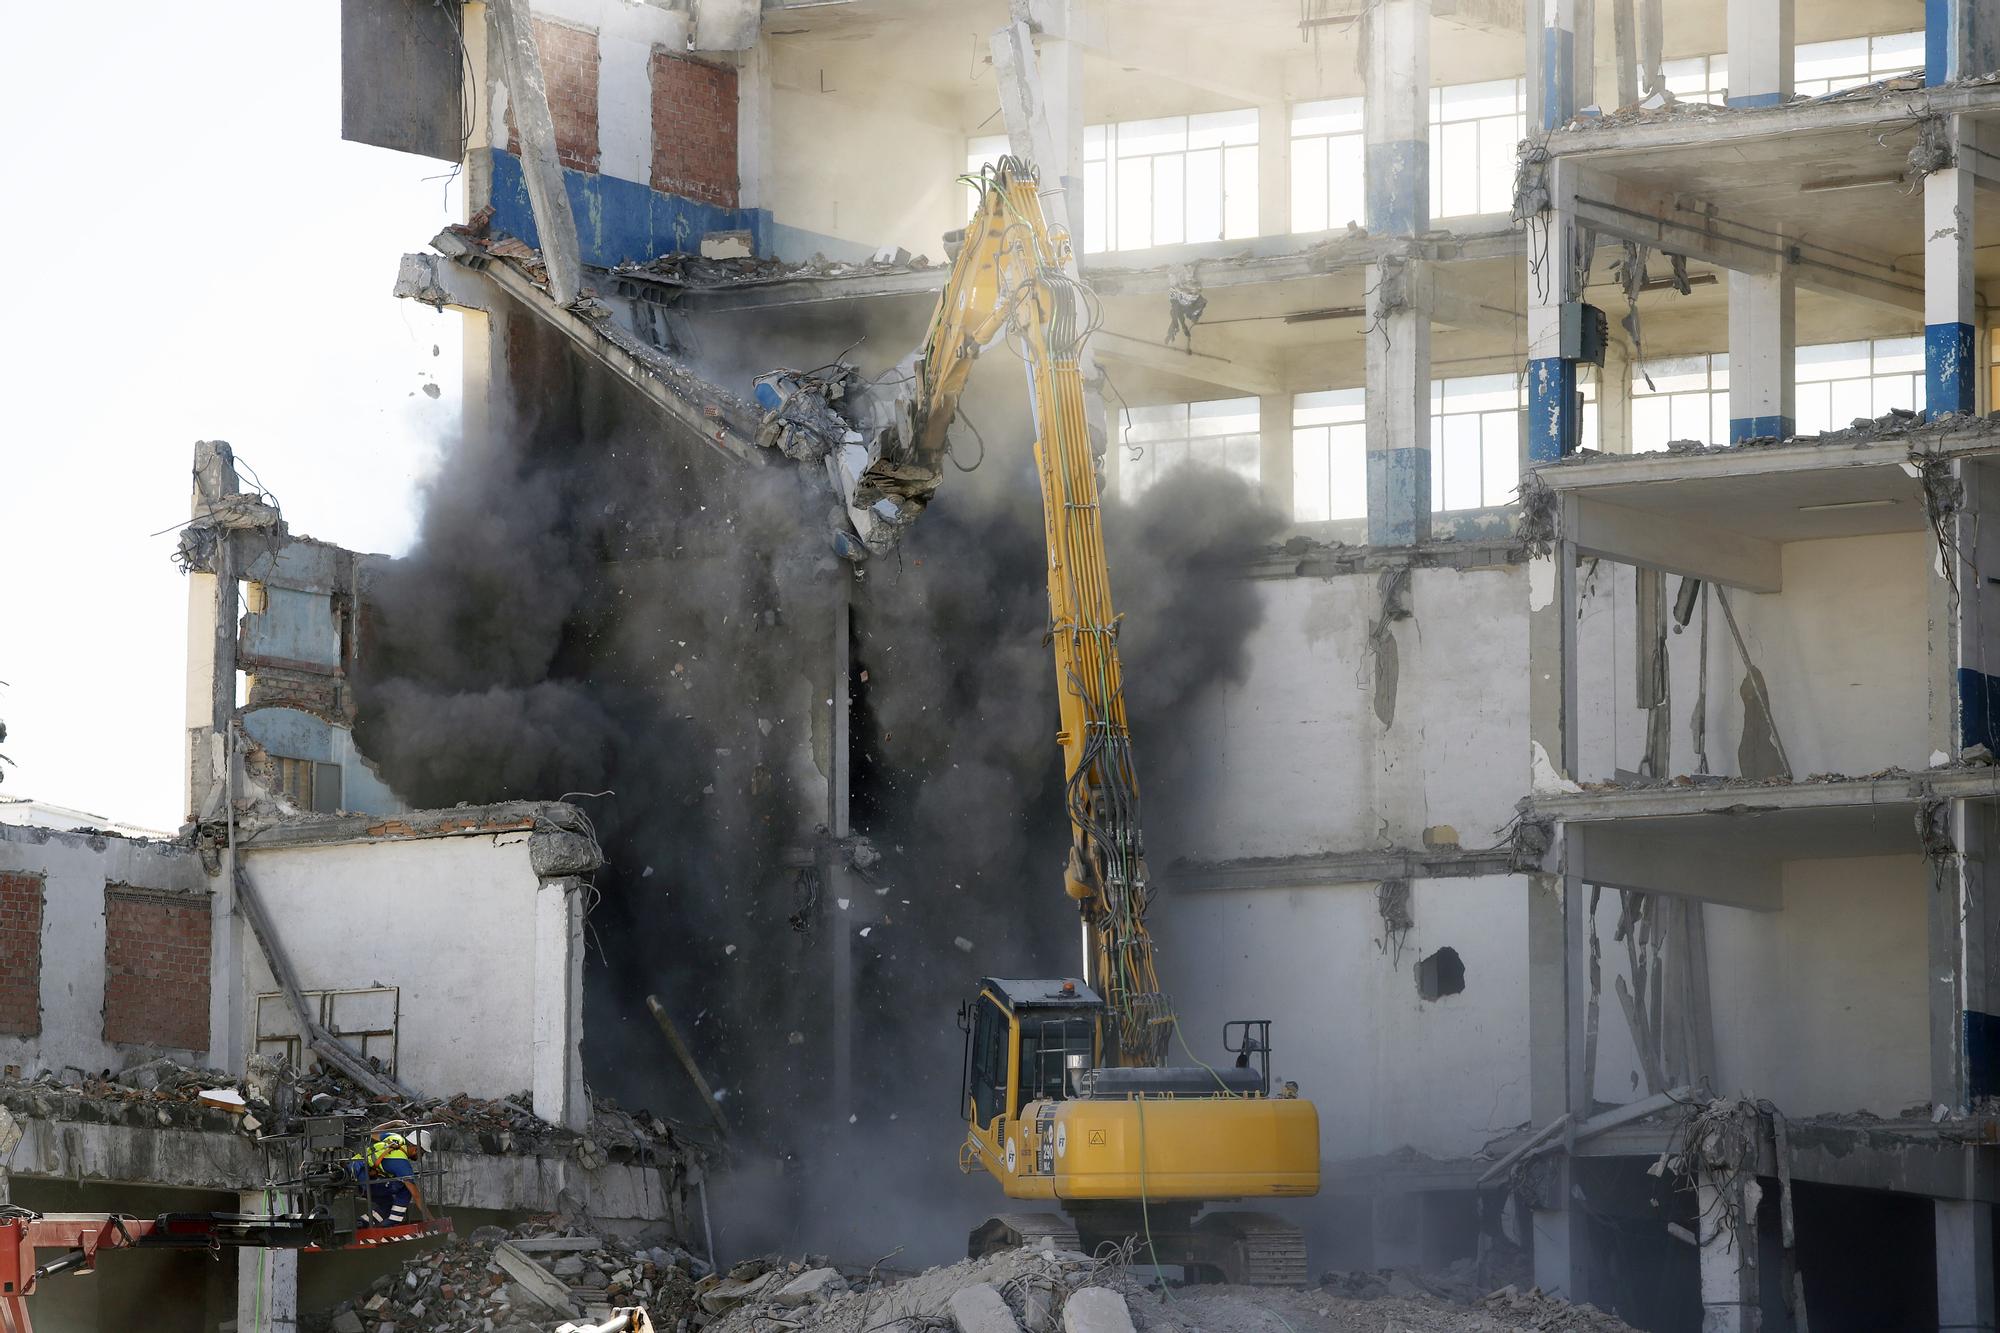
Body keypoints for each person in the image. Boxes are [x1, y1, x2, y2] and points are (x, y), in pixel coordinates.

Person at [351, 1128, 432, 1226]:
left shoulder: (395, 1137)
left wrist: (394, 1123)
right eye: (422, 1154)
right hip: (363, 1181)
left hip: (354, 1173)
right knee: (406, 1187)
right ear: (416, 1149)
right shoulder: (401, 1163)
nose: (421, 1157)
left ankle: (362, 1223)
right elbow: (416, 1195)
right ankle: (393, 1221)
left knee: (388, 1203)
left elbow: (371, 1133)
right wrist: (431, 1219)